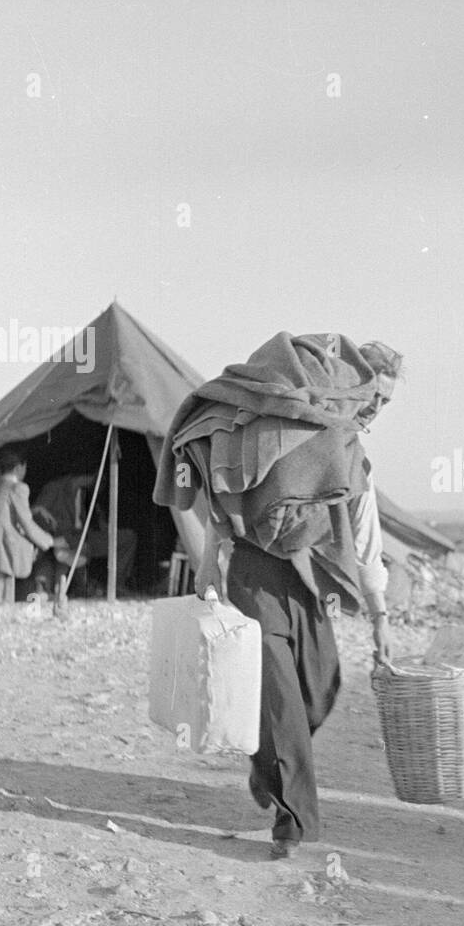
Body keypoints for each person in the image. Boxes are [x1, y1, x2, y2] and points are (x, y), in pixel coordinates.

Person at [155, 333, 399, 860]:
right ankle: (294, 821)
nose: (377, 409)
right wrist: (207, 564)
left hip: (313, 579)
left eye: (386, 402)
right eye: (374, 396)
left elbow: (365, 538)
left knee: (321, 686)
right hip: (255, 573)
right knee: (282, 699)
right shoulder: (278, 431)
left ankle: (266, 764)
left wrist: (379, 615)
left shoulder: (349, 454)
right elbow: (224, 501)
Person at [0, 446, 61, 599]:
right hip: (6, 550)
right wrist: (50, 541)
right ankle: (42, 591)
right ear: (19, 467)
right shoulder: (18, 488)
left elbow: (4, 513)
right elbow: (27, 524)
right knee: (44, 552)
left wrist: (36, 509)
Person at [34, 471, 138, 593]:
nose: (98, 485)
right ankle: (80, 586)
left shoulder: (85, 493)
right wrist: (43, 514)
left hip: (84, 537)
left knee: (128, 537)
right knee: (75, 546)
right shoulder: (55, 487)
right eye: (97, 480)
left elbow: (95, 523)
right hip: (63, 538)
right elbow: (35, 511)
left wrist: (103, 526)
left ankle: (118, 584)